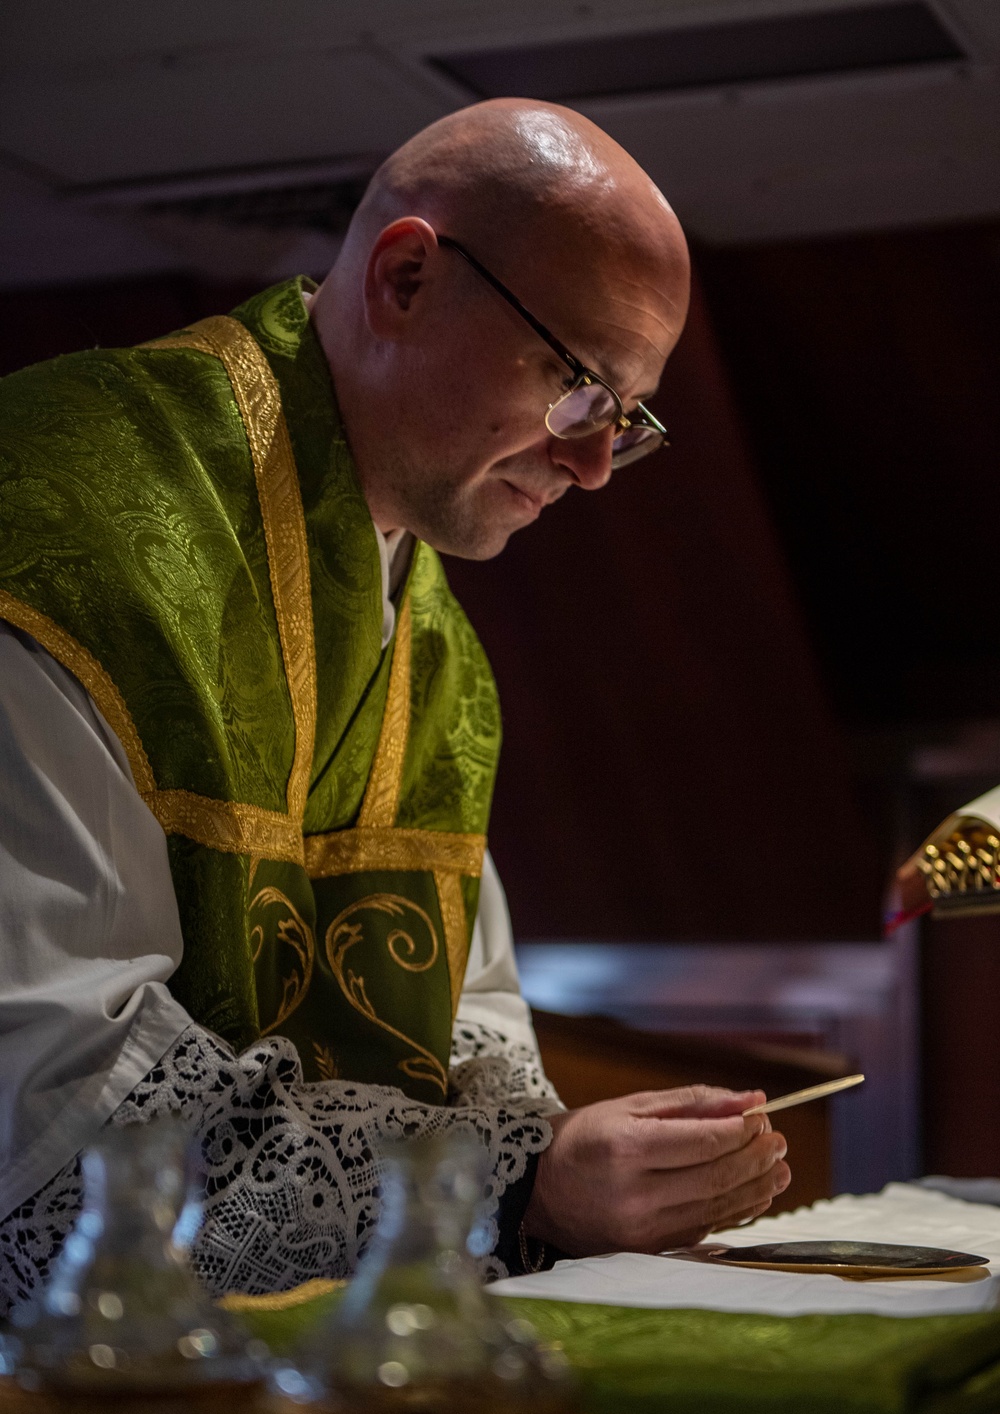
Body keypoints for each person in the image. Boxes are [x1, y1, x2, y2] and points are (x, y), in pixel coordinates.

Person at [0, 99, 789, 1310]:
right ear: (406, 277)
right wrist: (520, 1177)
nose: (590, 467)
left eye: (625, 420)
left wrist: (589, 1163)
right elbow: (54, 1119)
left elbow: (471, 1039)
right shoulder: (64, 524)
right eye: (577, 384)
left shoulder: (435, 648)